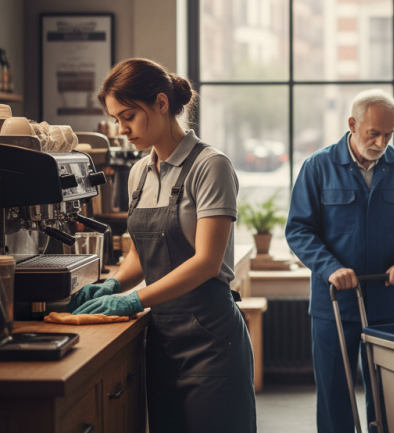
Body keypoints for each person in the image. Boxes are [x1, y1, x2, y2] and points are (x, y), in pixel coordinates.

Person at [68, 58, 256, 433]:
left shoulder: (211, 166)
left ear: (161, 102)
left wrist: (134, 300)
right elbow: (139, 254)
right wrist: (113, 285)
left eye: (128, 116)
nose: (122, 129)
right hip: (162, 340)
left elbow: (206, 262)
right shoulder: (139, 172)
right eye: (116, 119)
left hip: (211, 341)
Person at [285, 89, 394, 433]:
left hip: (387, 303)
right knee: (335, 394)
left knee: (387, 395)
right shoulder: (317, 167)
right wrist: (331, 268)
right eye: (373, 133)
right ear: (352, 124)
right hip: (335, 305)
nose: (381, 143)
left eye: (388, 135)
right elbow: (299, 231)